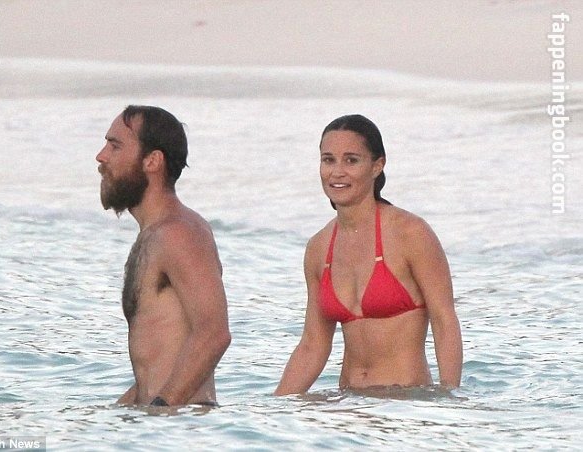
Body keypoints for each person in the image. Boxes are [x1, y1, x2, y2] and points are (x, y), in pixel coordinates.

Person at [275, 114, 462, 396]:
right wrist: (275, 407)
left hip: (404, 402)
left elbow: (444, 320)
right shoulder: (319, 247)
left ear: (377, 166)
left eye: (351, 160)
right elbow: (313, 344)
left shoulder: (410, 233)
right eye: (328, 160)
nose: (337, 172)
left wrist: (450, 396)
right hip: (348, 401)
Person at [96, 105, 231, 407]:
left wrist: (162, 410)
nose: (101, 156)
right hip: (163, 421)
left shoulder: (179, 233)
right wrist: (113, 415)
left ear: (152, 161)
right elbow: (156, 366)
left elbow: (214, 333)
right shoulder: (155, 235)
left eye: (115, 146)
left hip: (182, 425)